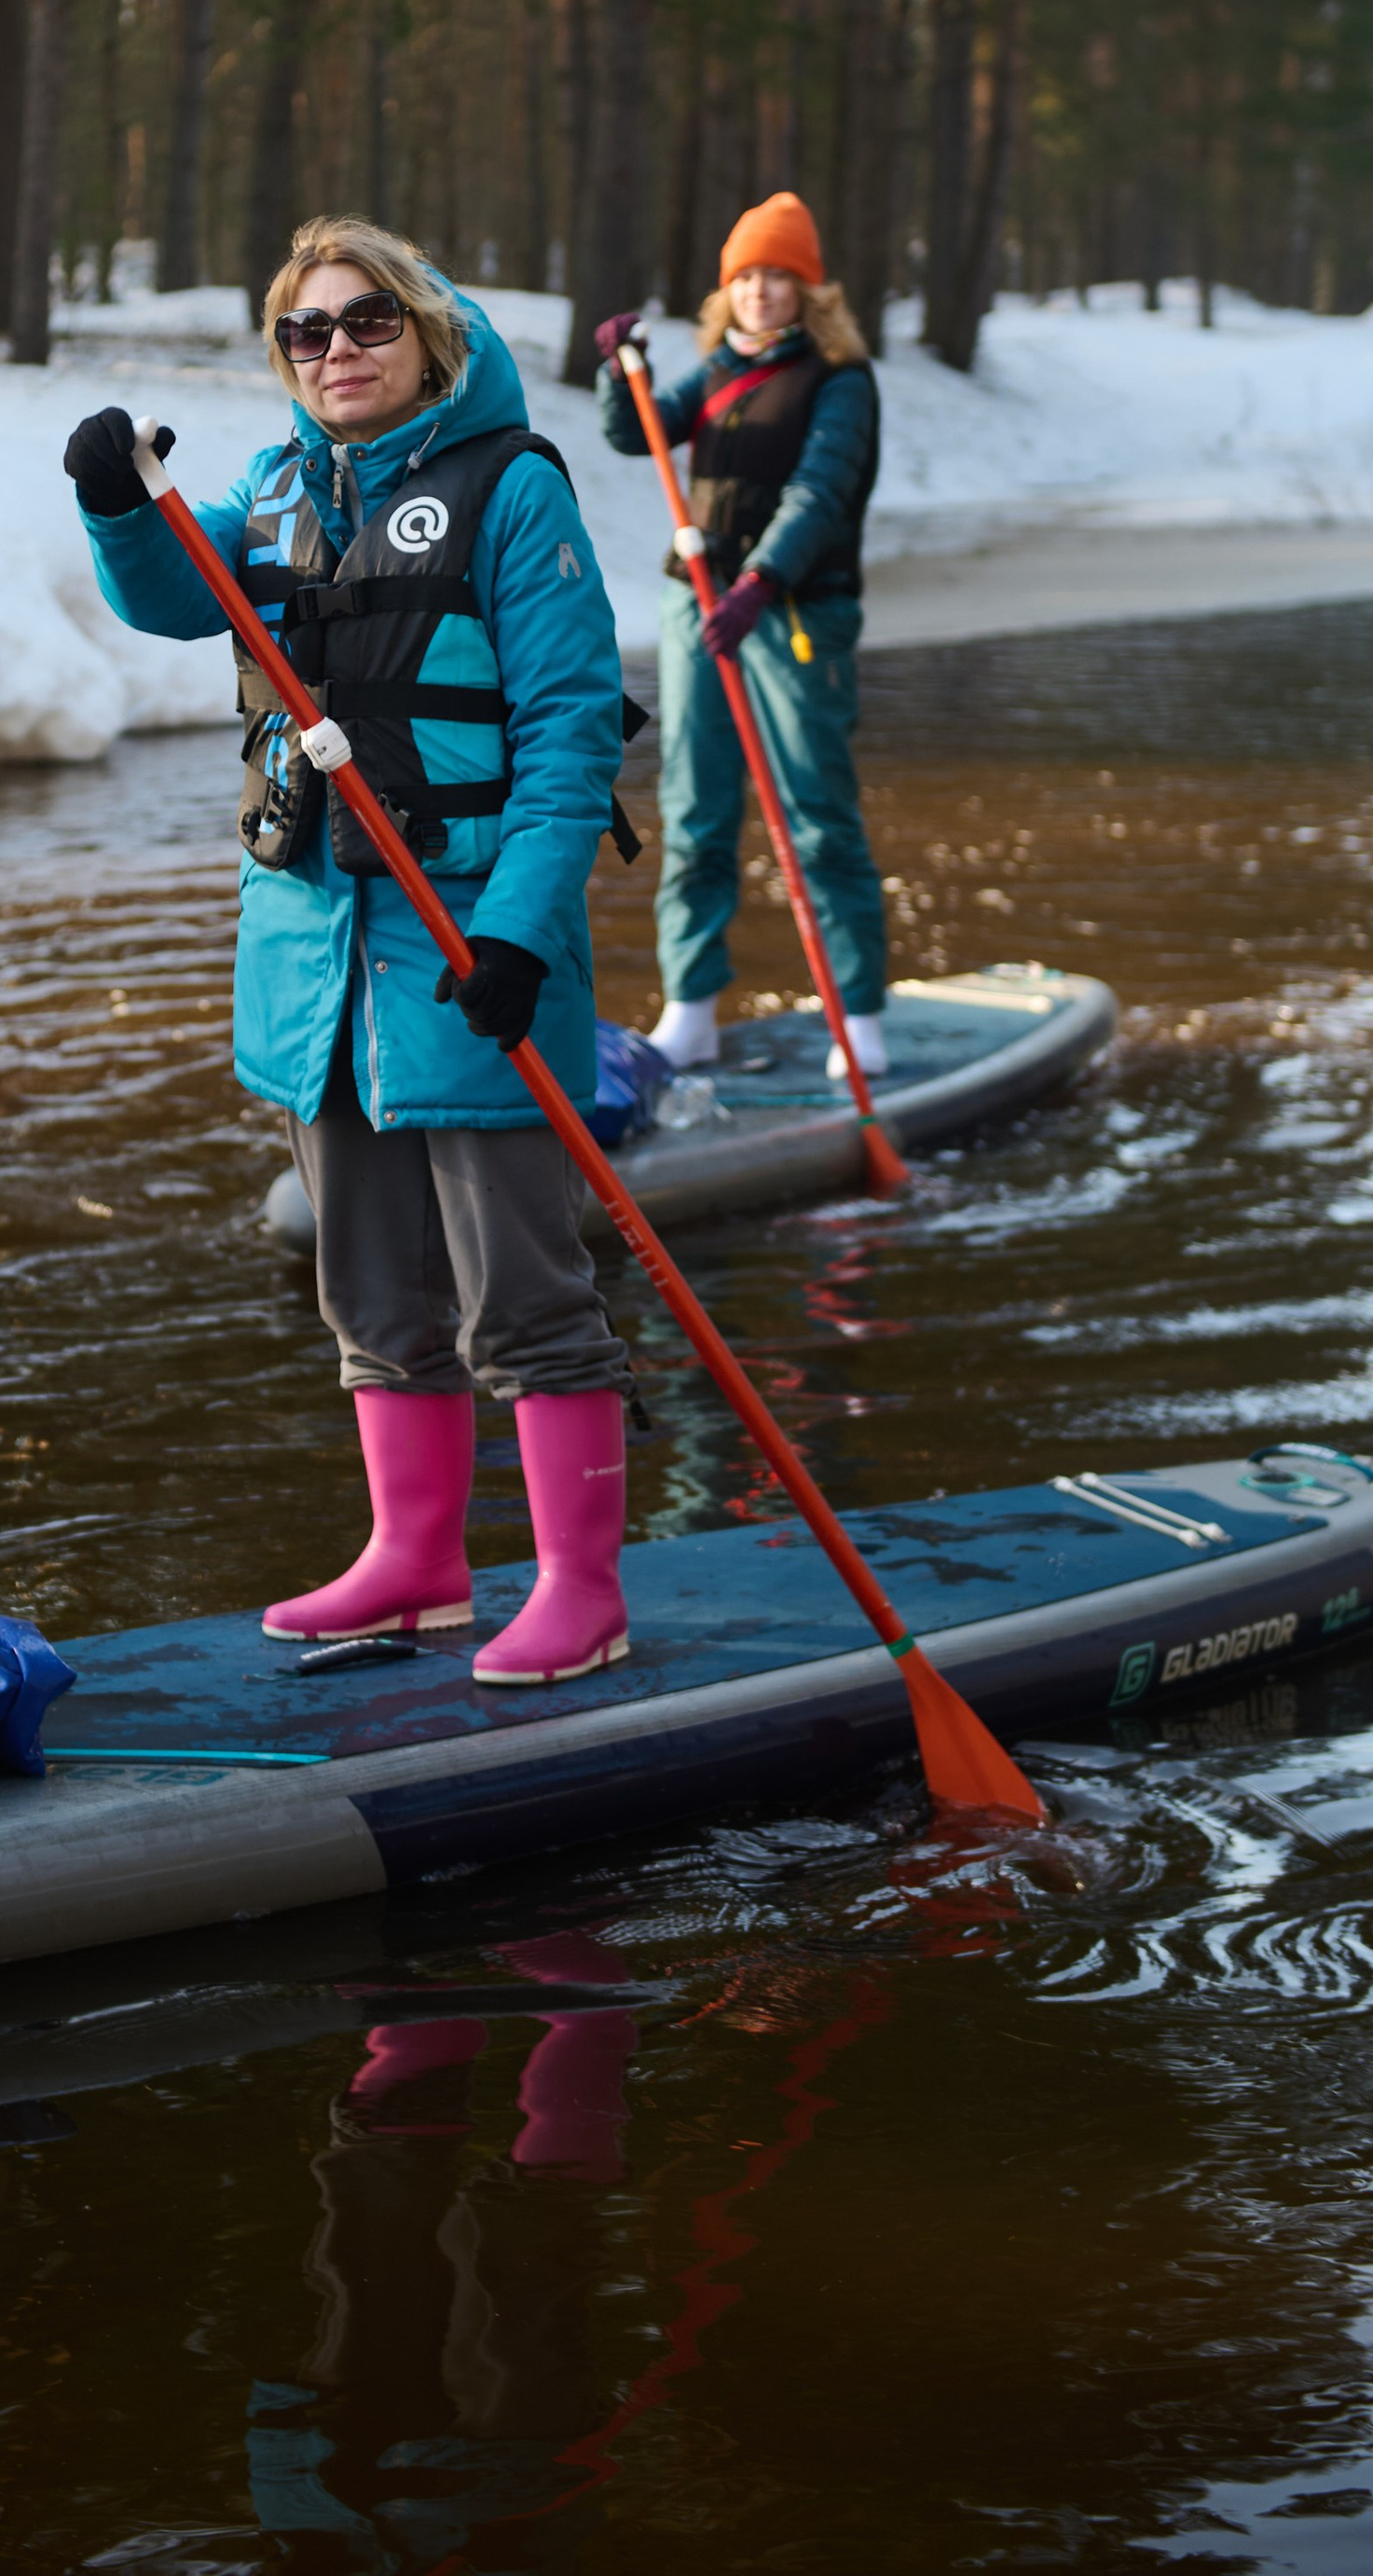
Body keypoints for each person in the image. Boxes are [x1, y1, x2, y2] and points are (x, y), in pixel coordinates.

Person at [63, 214, 634, 1685]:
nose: (336, 352)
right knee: (369, 1285)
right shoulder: (271, 489)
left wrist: (512, 933)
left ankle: (581, 1587)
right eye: (308, 331)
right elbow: (182, 601)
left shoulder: (513, 492)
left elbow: (573, 739)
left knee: (526, 1295)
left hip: (463, 955)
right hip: (316, 952)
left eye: (367, 322)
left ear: (430, 334)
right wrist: (118, 509)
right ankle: (416, 1563)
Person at [594, 188, 887, 1084]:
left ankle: (859, 1013)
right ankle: (692, 1011)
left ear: (810, 291)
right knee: (696, 807)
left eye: (780, 277)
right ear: (730, 290)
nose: (762, 292)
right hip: (698, 610)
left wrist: (760, 581)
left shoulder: (840, 381)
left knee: (817, 815)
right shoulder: (719, 368)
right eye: (748, 277)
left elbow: (822, 491)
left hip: (791, 615)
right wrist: (622, 372)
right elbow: (630, 434)